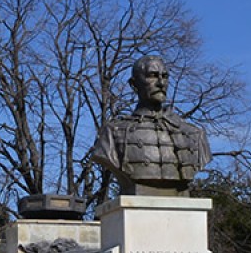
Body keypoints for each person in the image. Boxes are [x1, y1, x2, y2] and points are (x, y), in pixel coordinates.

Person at [90, 55, 211, 196]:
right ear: (134, 84)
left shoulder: (194, 135)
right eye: (152, 76)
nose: (161, 82)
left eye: (164, 76)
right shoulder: (113, 133)